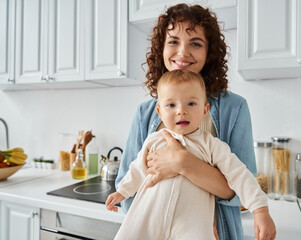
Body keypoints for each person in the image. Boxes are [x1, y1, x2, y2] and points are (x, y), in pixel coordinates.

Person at [114, 3, 276, 240]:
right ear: (161, 48)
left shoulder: (234, 108)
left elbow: (243, 188)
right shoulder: (145, 112)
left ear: (209, 52)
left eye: (196, 43)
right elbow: (126, 186)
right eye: (173, 41)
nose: (182, 52)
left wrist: (183, 163)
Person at [106, 70, 275, 240]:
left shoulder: (212, 146)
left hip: (192, 227)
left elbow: (240, 175)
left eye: (191, 104)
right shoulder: (153, 141)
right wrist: (121, 192)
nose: (181, 111)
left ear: (204, 110)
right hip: (148, 222)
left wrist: (260, 209)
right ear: (160, 112)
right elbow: (136, 170)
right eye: (171, 105)